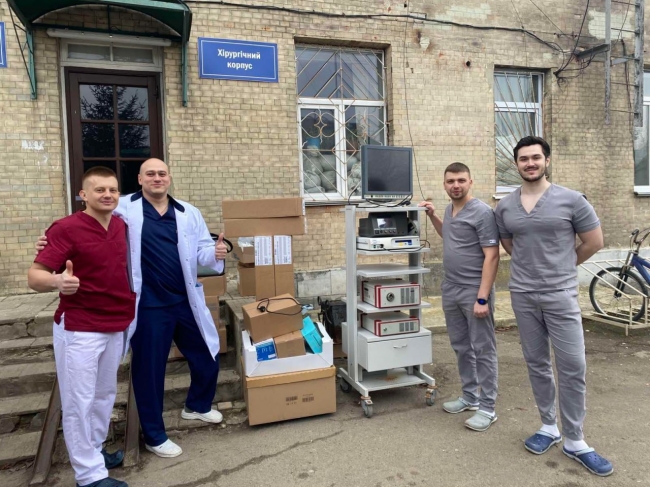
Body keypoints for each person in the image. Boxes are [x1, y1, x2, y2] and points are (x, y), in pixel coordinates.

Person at [37, 158, 228, 459]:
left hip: (185, 300)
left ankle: (197, 405)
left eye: (162, 173)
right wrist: (48, 241)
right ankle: (155, 435)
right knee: (149, 371)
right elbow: (87, 221)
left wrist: (215, 252)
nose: (156, 178)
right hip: (148, 305)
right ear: (139, 179)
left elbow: (202, 249)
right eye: (150, 174)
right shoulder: (122, 207)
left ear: (169, 178)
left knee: (207, 354)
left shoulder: (188, 211)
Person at [494, 136, 612, 476]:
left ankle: (575, 439)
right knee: (537, 362)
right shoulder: (505, 206)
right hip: (523, 294)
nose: (530, 163)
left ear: (546, 160)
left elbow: (594, 241)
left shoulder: (572, 200)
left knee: (572, 364)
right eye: (523, 159)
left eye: (535, 157)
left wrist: (562, 265)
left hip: (560, 294)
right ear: (516, 164)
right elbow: (509, 244)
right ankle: (549, 426)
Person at [28, 167, 134, 487]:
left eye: (113, 190)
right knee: (79, 401)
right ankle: (89, 476)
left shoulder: (121, 225)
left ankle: (95, 451)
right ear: (83, 195)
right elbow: (35, 276)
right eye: (99, 190)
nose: (107, 195)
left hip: (115, 321)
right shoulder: (66, 228)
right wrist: (58, 281)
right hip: (80, 326)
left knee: (104, 395)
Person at [419, 162, 500, 432]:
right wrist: (433, 216)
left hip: (474, 290)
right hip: (451, 288)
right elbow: (449, 235)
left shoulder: (482, 212)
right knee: (462, 346)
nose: (456, 185)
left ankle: (487, 408)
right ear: (444, 184)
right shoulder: (449, 209)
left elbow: (492, 255)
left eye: (461, 180)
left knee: (483, 349)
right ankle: (470, 396)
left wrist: (482, 298)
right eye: (451, 181)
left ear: (470, 182)